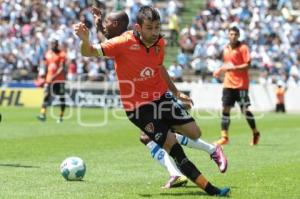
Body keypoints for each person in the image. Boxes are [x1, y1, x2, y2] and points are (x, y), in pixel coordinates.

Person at [74, 6, 230, 196]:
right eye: (150, 28)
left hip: (162, 97)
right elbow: (88, 51)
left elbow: (159, 67)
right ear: (138, 28)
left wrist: (176, 92)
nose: (155, 32)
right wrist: (84, 40)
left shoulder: (160, 43)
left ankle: (185, 142)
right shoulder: (122, 42)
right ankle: (211, 190)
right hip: (138, 108)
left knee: (195, 133)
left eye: (157, 27)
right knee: (174, 148)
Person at [213, 26, 261, 146]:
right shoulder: (225, 49)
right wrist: (220, 70)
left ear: (238, 35)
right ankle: (224, 137)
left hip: (241, 85)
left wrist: (233, 68)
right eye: (231, 34)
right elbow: (228, 64)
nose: (233, 36)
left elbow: (248, 64)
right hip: (228, 83)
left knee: (245, 110)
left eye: (235, 34)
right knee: (225, 108)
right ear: (228, 35)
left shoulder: (243, 48)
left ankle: (255, 133)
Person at [37, 38, 67, 123]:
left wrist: (54, 76)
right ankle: (42, 115)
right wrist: (43, 75)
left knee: (61, 98)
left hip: (59, 80)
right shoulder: (48, 54)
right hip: (49, 80)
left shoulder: (62, 54)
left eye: (54, 44)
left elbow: (61, 68)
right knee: (46, 96)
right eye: (51, 44)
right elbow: (45, 67)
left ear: (57, 45)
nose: (52, 45)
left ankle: (61, 116)